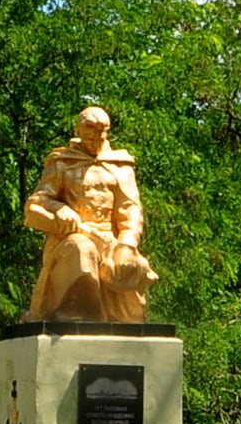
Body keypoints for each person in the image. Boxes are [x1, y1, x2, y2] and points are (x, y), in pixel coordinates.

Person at [21, 106, 157, 324]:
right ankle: (79, 320)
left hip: (110, 241)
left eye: (101, 131)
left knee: (130, 304)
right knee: (82, 250)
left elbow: (131, 209)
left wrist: (126, 246)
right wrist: (59, 208)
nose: (96, 137)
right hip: (71, 238)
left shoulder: (121, 166)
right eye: (90, 131)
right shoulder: (62, 162)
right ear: (78, 130)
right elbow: (36, 203)